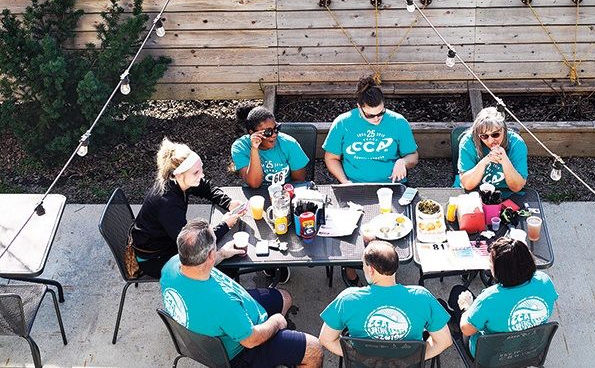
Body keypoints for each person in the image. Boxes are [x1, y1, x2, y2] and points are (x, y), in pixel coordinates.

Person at [160, 219, 324, 368]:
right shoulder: (223, 304)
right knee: (314, 349)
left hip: (217, 331)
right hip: (242, 352)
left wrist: (223, 254)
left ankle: (279, 348)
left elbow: (197, 264)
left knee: (284, 297)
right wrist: (275, 323)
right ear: (209, 256)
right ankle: (275, 346)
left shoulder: (171, 266)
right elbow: (250, 340)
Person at [319, 240, 452, 362]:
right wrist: (414, 358)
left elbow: (326, 339)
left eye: (363, 265)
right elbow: (444, 341)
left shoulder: (347, 299)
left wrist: (358, 357)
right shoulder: (422, 297)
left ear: (370, 269)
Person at [131, 137, 244, 278]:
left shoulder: (179, 182)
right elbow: (193, 245)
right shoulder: (167, 203)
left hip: (167, 241)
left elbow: (205, 187)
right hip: (155, 258)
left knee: (222, 257)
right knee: (224, 266)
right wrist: (225, 224)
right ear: (177, 175)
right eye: (196, 173)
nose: (201, 175)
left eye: (201, 169)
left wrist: (228, 202)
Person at [443, 237, 558, 358]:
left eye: (491, 262)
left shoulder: (489, 298)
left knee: (458, 292)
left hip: (490, 357)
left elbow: (467, 330)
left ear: (500, 271)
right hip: (528, 351)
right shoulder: (544, 282)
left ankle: (453, 324)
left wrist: (466, 307)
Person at [323, 76, 419, 184]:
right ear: (359, 107)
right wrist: (344, 181)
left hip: (392, 185)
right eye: (370, 115)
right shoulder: (343, 122)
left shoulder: (399, 122)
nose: (376, 118)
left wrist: (403, 162)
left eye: (381, 113)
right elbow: (331, 158)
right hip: (355, 185)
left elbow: (413, 156)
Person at [231, 106, 309, 188]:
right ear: (252, 133)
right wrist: (254, 149)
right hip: (257, 194)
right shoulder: (240, 147)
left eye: (276, 129)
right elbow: (254, 184)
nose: (274, 134)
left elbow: (299, 181)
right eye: (268, 132)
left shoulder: (289, 144)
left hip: (284, 192)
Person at [458, 106, 528, 193]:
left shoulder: (516, 143)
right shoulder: (468, 142)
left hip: (505, 191)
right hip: (474, 192)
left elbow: (517, 187)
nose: (491, 140)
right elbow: (467, 184)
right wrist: (484, 161)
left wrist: (505, 160)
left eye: (495, 134)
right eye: (484, 136)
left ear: (504, 130)